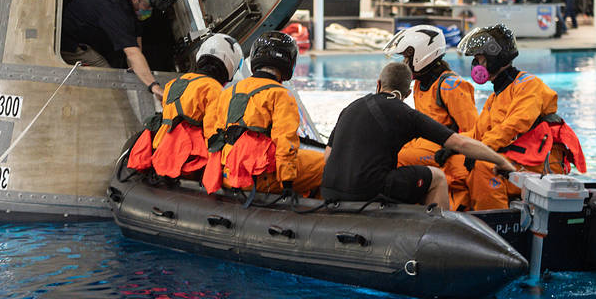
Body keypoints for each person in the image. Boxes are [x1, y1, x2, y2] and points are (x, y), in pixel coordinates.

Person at [321, 62, 517, 207]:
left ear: (378, 84)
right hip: (369, 190)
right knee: (438, 177)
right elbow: (460, 143)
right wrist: (501, 161)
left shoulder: (350, 108)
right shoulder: (406, 114)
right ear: (407, 94)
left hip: (330, 189)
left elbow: (328, 156)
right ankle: (439, 236)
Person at [457, 24, 586, 210]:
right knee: (453, 165)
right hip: (514, 159)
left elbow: (515, 124)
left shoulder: (529, 85)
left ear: (494, 58)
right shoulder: (495, 97)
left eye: (479, 59)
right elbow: (478, 133)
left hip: (538, 164)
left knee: (483, 168)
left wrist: (480, 149)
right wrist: (450, 142)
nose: (476, 65)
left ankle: (496, 229)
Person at [202, 31, 324, 198]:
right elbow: (285, 142)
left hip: (228, 175)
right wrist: (287, 182)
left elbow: (214, 138)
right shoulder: (281, 95)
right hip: (260, 177)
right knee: (327, 165)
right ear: (289, 62)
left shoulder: (229, 92)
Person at [384, 26, 479, 210]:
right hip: (427, 143)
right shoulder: (420, 84)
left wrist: (451, 149)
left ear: (423, 54)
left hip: (446, 149)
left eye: (407, 57)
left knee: (399, 158)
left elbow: (474, 128)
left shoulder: (451, 85)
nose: (405, 62)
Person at [127, 34, 244, 179]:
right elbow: (212, 133)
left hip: (160, 151)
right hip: (188, 161)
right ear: (229, 67)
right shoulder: (215, 90)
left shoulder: (176, 82)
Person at [60, 0, 169, 99]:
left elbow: (136, 40)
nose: (149, 9)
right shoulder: (115, 9)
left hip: (93, 36)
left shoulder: (132, 1)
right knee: (106, 74)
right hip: (71, 43)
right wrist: (154, 87)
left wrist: (134, 67)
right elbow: (132, 53)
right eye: (148, 5)